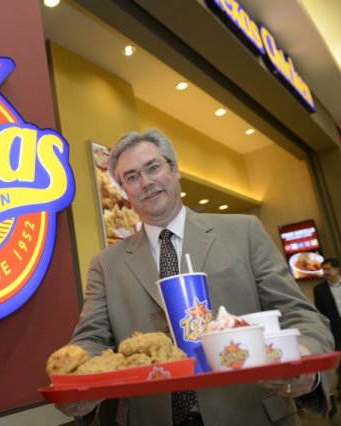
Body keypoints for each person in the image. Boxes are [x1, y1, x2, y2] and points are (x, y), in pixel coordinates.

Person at [56, 129, 334, 426]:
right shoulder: (104, 264)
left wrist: (305, 361)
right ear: (124, 191)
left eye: (153, 167)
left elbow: (300, 315)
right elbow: (92, 338)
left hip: (249, 414)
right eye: (132, 177)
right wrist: (74, 381)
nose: (146, 182)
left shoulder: (244, 232)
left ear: (175, 170)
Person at [314, 258, 341, 403]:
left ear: (337, 270)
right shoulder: (319, 289)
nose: (325, 272)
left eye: (328, 269)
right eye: (323, 270)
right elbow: (321, 313)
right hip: (335, 330)